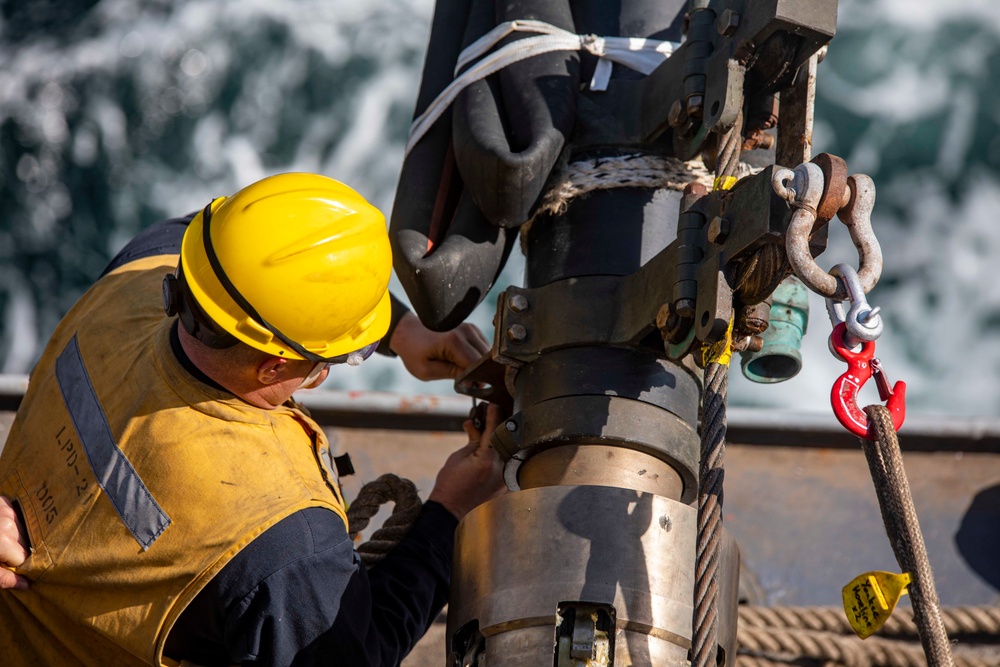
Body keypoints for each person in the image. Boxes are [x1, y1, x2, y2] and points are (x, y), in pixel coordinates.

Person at [0, 172, 506, 666]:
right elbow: (357, 653)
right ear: (275, 365)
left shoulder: (136, 275)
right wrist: (451, 514)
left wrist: (401, 332)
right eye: (343, 355)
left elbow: (221, 250)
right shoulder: (277, 531)